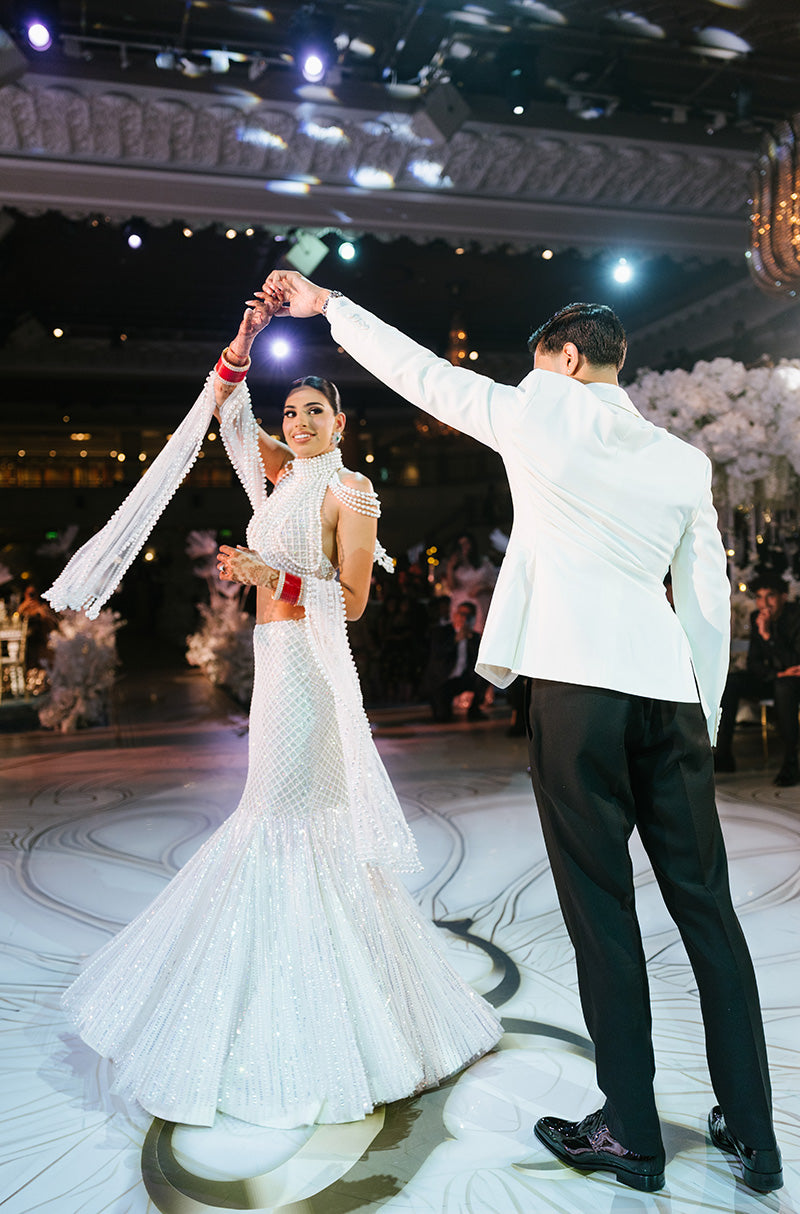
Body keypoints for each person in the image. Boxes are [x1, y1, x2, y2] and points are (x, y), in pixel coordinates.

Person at [260, 271, 783, 1194]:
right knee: (711, 915)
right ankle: (755, 1134)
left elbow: (420, 373)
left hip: (580, 696)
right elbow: (709, 599)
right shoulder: (680, 460)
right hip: (668, 696)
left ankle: (631, 1135)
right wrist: (702, 713)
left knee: (604, 917)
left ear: (567, 358)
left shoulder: (535, 416)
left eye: (540, 364)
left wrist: (330, 307)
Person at [55, 292, 502, 1129]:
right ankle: (286, 982)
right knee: (275, 815)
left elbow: (360, 599)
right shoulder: (282, 475)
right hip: (273, 662)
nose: (297, 422)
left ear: (341, 423)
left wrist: (273, 576)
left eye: (313, 411)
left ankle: (331, 1010)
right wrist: (247, 340)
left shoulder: (351, 494)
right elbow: (224, 408)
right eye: (291, 410)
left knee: (286, 819)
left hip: (310, 662)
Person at [715, 573, 800, 785]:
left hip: (792, 683)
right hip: (774, 678)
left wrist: (768, 637)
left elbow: (795, 662)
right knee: (732, 682)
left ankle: (792, 762)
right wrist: (776, 673)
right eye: (760, 597)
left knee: (784, 686)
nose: (764, 603)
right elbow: (753, 663)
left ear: (783, 596)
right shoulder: (756, 618)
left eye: (770, 596)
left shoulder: (796, 617)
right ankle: (723, 756)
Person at [423, 599, 488, 722]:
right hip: (442, 680)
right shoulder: (441, 632)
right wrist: (456, 640)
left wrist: (469, 640)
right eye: (461, 614)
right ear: (455, 615)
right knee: (443, 717)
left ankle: (474, 710)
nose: (464, 618)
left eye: (468, 616)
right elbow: (437, 655)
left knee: (484, 677)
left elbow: (478, 661)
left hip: (462, 679)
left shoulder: (474, 637)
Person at [442, 533, 497, 629]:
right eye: (461, 544)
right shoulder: (455, 566)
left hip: (482, 603)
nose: (465, 547)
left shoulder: (484, 563)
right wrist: (450, 567)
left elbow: (496, 585)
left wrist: (482, 588)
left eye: (467, 543)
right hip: (461, 603)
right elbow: (451, 587)